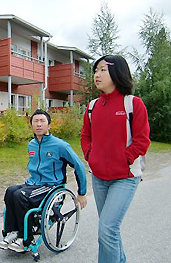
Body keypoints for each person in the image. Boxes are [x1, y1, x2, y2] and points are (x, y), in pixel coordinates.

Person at [81, 55, 150, 263]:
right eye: (95, 70)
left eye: (102, 69)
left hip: (125, 177)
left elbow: (142, 140)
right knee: (109, 230)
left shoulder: (133, 104)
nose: (96, 75)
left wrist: (125, 159)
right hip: (99, 177)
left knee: (107, 229)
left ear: (117, 72)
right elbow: (86, 136)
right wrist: (90, 156)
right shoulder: (92, 106)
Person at [0, 109, 87, 253]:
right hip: (33, 183)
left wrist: (82, 192)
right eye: (35, 121)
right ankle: (13, 231)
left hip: (51, 186)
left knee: (20, 196)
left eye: (42, 121)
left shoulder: (60, 145)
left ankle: (25, 239)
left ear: (49, 125)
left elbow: (79, 166)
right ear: (31, 125)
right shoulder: (31, 144)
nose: (39, 124)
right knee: (11, 191)